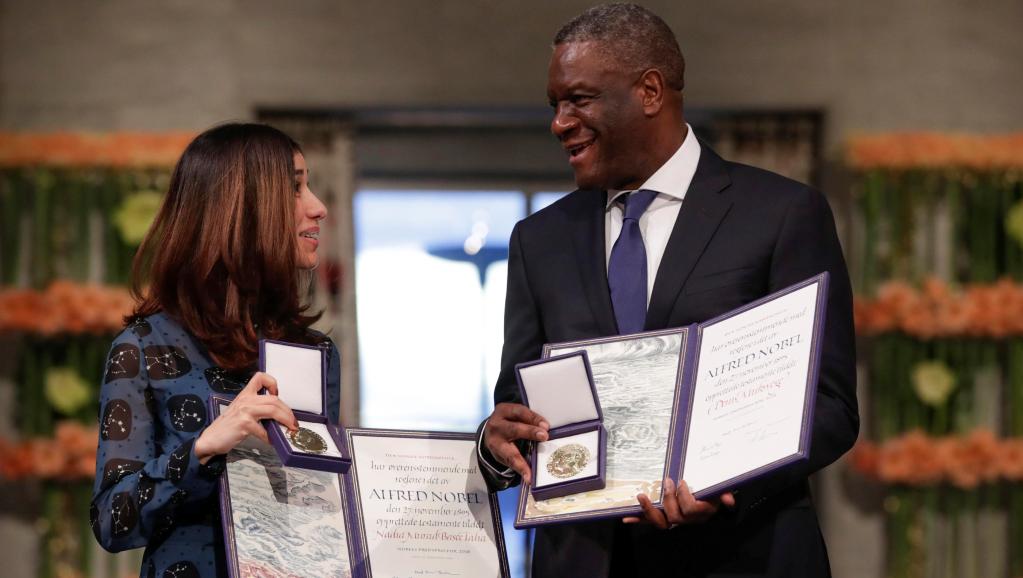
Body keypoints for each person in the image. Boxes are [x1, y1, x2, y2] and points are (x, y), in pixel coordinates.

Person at [477, 4, 858, 577]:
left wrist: (726, 487)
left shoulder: (781, 215)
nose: (560, 122)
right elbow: (518, 400)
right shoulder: (539, 239)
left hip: (741, 556)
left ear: (650, 91)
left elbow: (829, 407)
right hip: (584, 561)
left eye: (578, 99)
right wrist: (496, 441)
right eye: (555, 105)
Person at [90, 123, 338, 577]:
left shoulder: (313, 350)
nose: (317, 207)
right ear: (240, 208)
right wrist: (204, 448)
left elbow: (316, 509)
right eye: (295, 188)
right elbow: (112, 521)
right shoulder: (144, 348)